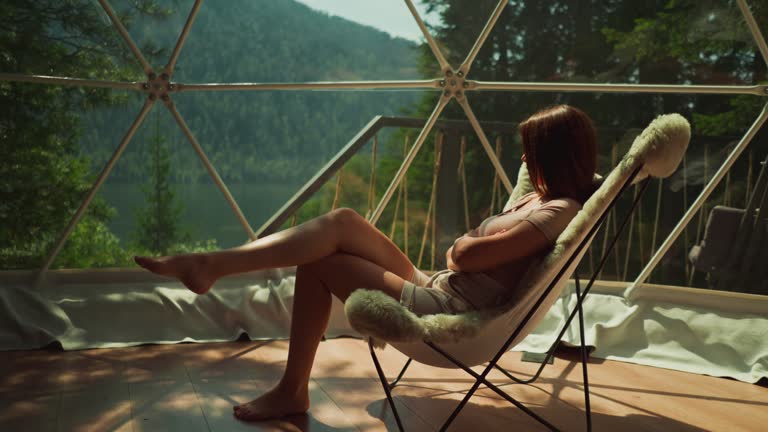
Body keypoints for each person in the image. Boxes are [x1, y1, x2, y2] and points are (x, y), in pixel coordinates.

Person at [134, 104, 598, 422]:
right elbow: (468, 257)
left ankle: (290, 388)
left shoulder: (559, 210)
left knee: (319, 261)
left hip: (444, 308)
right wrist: (462, 252)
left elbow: (466, 255)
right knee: (342, 221)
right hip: (438, 286)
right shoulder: (539, 197)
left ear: (552, 158)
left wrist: (461, 248)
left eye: (530, 152)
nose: (522, 158)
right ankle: (212, 264)